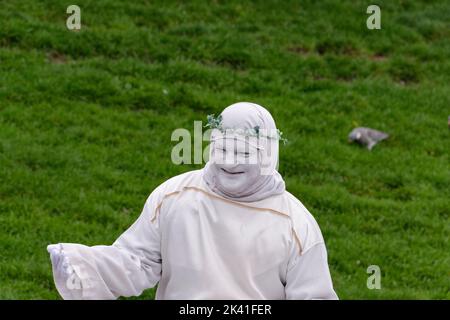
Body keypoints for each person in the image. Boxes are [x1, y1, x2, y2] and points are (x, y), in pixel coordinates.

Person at [47, 102, 338, 300]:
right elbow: (138, 261)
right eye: (223, 148)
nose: (230, 161)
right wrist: (83, 263)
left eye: (244, 152)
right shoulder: (175, 196)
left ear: (268, 154)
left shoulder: (295, 225)